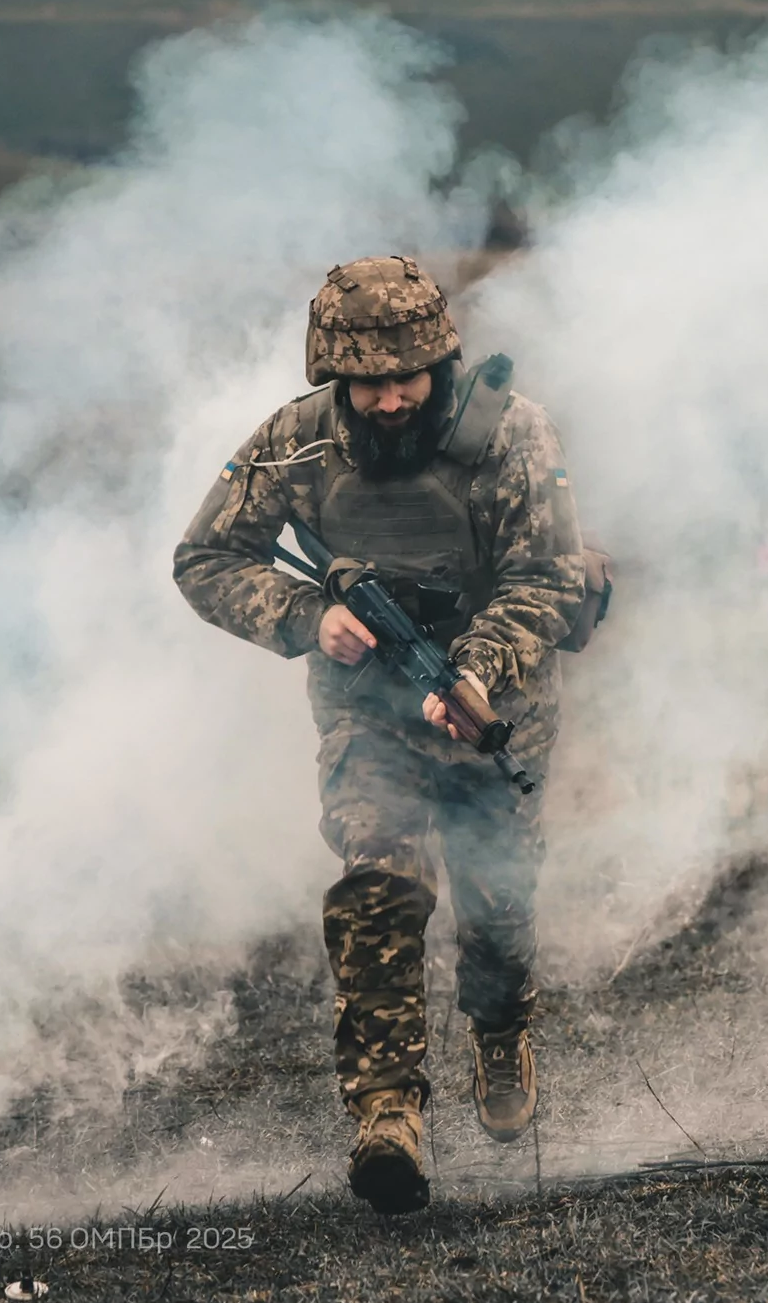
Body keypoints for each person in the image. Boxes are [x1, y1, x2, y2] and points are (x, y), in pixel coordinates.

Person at [174, 255, 587, 1214]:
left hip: (497, 707)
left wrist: (477, 670)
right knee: (380, 885)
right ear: (336, 377)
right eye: (370, 382)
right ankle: (387, 1111)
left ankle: (498, 1024)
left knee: (497, 911)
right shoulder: (295, 444)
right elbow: (205, 557)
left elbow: (550, 578)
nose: (393, 398)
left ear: (442, 359)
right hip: (366, 710)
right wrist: (302, 618)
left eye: (409, 375)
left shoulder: (514, 435)